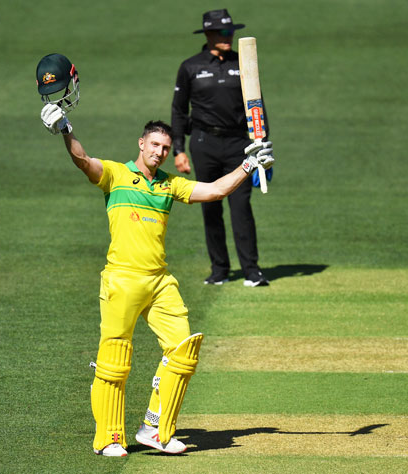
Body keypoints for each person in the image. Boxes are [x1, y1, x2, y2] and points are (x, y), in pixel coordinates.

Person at [40, 104, 273, 456]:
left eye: (165, 148)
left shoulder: (169, 185)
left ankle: (154, 428)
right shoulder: (116, 175)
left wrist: (247, 165)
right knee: (114, 361)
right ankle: (109, 438)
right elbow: (83, 161)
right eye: (155, 145)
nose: (161, 152)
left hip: (159, 281)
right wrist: (65, 129)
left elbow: (213, 191)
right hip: (122, 279)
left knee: (183, 351)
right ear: (141, 143)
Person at [171, 8, 272, 287]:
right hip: (204, 143)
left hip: (240, 145)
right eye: (223, 32)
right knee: (210, 207)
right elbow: (179, 111)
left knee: (241, 207)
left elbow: (257, 107)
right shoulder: (190, 67)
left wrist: (263, 147)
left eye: (231, 32)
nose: (229, 37)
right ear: (208, 34)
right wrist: (178, 149)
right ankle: (219, 270)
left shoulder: (243, 65)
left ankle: (252, 270)